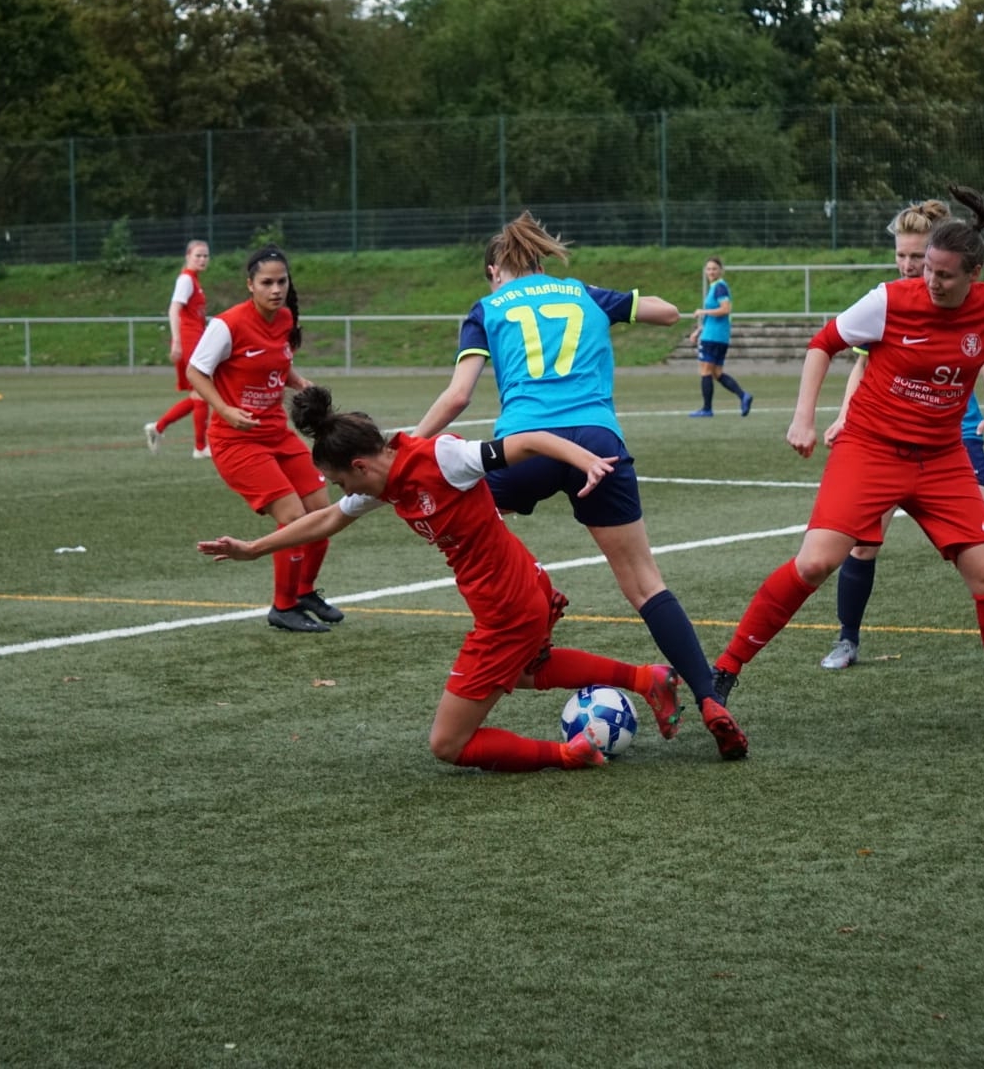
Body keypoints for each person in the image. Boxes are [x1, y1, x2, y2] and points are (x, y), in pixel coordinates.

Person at [710, 185, 984, 737]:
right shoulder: (889, 300)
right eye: (926, 267)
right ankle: (723, 671)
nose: (929, 279)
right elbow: (822, 343)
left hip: (941, 459)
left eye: (943, 274)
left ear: (973, 274)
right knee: (814, 563)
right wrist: (804, 418)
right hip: (870, 450)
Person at [199, 386, 687, 772]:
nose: (341, 492)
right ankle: (647, 679)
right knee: (526, 670)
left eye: (341, 482)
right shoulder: (384, 482)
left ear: (360, 465)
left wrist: (586, 461)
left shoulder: (443, 459)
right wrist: (253, 549)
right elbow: (327, 519)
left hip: (507, 607)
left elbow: (529, 441)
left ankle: (569, 754)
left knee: (448, 744)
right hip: (521, 585)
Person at [412, 211, 747, 760]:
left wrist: (408, 445)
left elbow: (458, 396)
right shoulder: (581, 292)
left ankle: (534, 608)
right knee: (645, 584)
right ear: (541, 264)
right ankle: (710, 699)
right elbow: (666, 312)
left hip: (525, 449)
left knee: (467, 526)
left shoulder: (487, 308)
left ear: (494, 271)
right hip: (597, 442)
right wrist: (621, 306)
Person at [820, 200, 984, 677]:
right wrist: (845, 416)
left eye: (917, 256)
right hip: (888, 442)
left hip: (956, 441)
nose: (909, 266)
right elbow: (863, 366)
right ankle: (847, 638)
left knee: (982, 546)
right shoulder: (891, 303)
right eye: (902, 256)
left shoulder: (965, 303)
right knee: (863, 543)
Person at [186, 244, 343, 633]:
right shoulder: (228, 325)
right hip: (236, 441)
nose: (275, 289)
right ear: (250, 285)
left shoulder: (285, 318)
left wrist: (301, 383)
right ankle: (283, 607)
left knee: (323, 514)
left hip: (277, 433)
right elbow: (195, 371)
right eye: (267, 283)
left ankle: (304, 591)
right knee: (292, 518)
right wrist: (225, 410)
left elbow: (277, 364)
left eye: (281, 282)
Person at [145, 239, 213, 458]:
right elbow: (174, 309)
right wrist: (177, 341)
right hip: (189, 341)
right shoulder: (186, 279)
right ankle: (200, 448)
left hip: (195, 340)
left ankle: (158, 427)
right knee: (202, 392)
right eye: (198, 255)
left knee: (198, 394)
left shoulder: (194, 280)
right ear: (188, 257)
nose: (202, 259)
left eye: (205, 256)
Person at [686, 256, 753, 418]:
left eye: (714, 269)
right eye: (709, 269)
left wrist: (703, 311)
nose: (711, 272)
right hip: (717, 335)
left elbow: (725, 309)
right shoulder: (715, 287)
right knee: (717, 372)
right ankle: (743, 395)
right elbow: (713, 317)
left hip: (713, 337)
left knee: (705, 370)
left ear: (721, 271)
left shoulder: (720, 287)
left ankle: (707, 409)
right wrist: (698, 330)